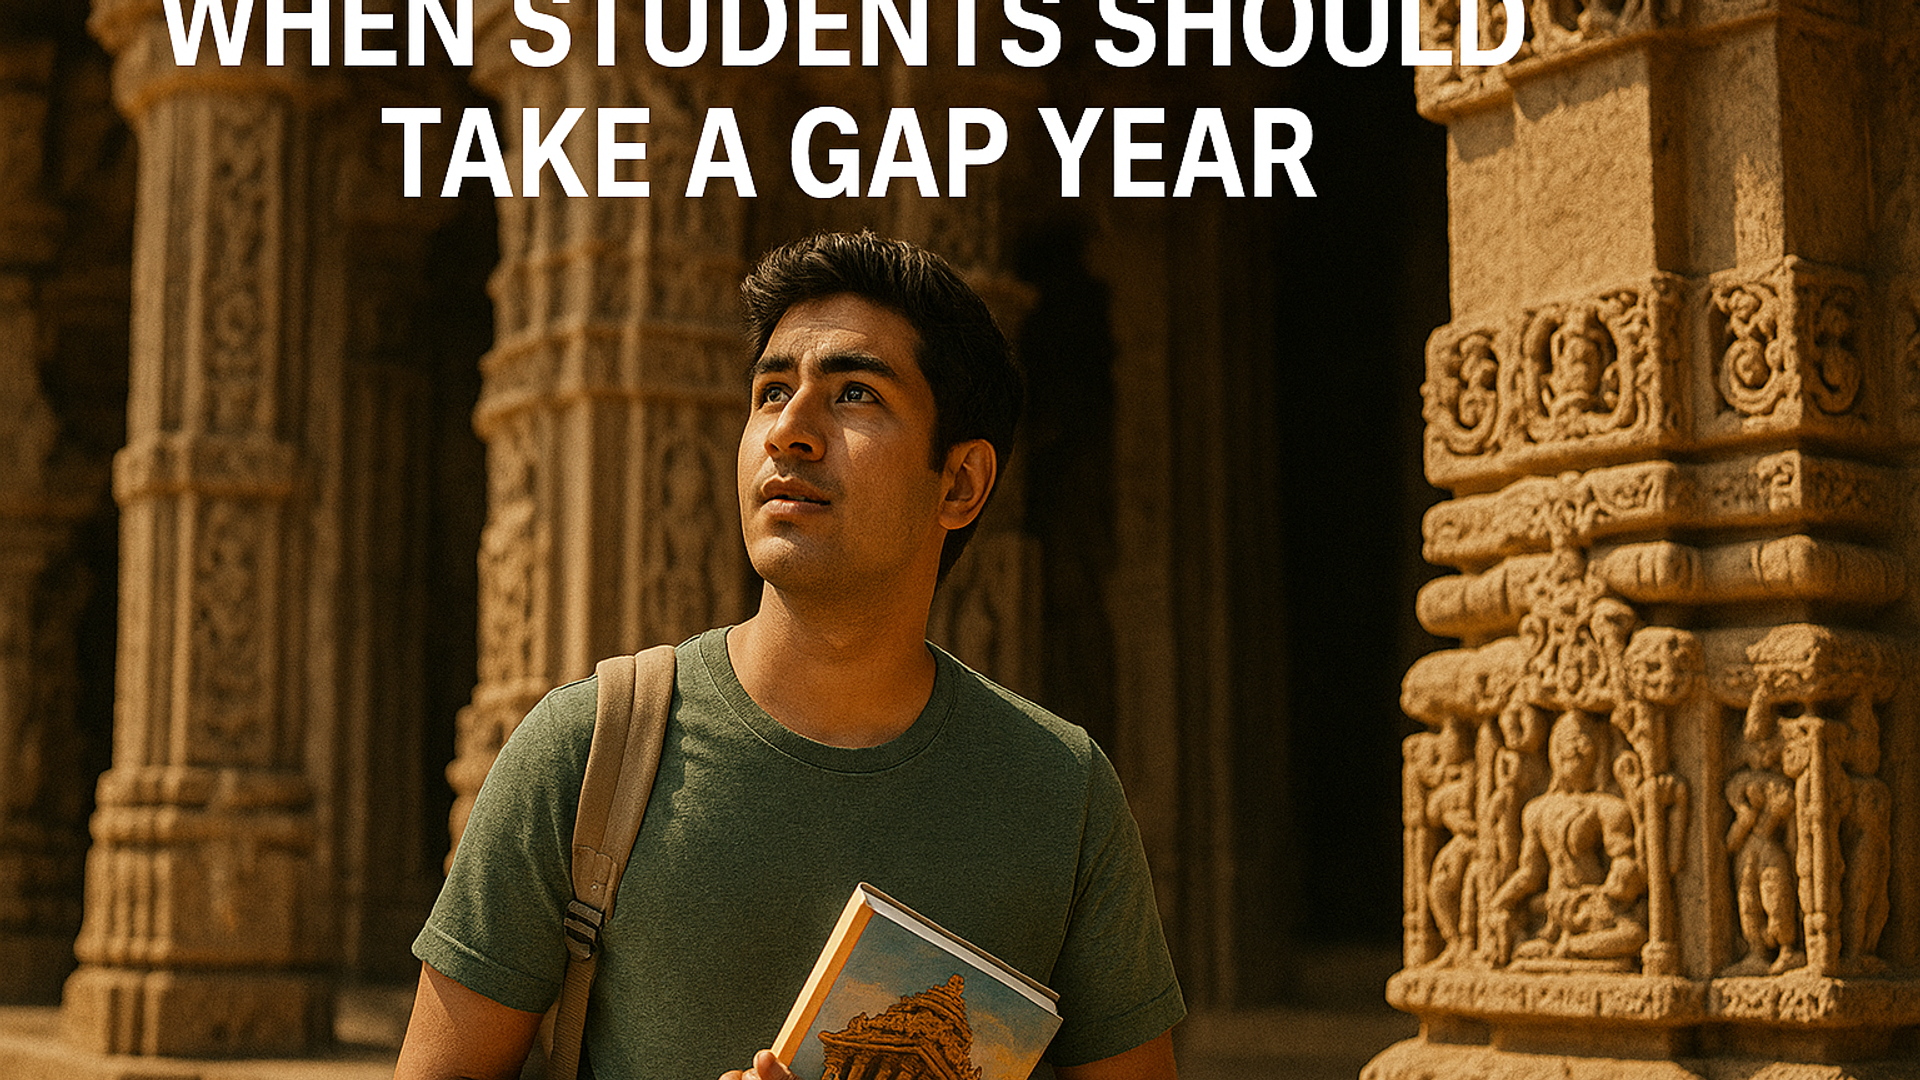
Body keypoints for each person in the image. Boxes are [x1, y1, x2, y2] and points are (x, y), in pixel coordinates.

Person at [394, 232, 1185, 1080]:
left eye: (853, 394)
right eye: (772, 390)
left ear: (960, 482)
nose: (791, 431)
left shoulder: (1059, 793)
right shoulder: (589, 752)